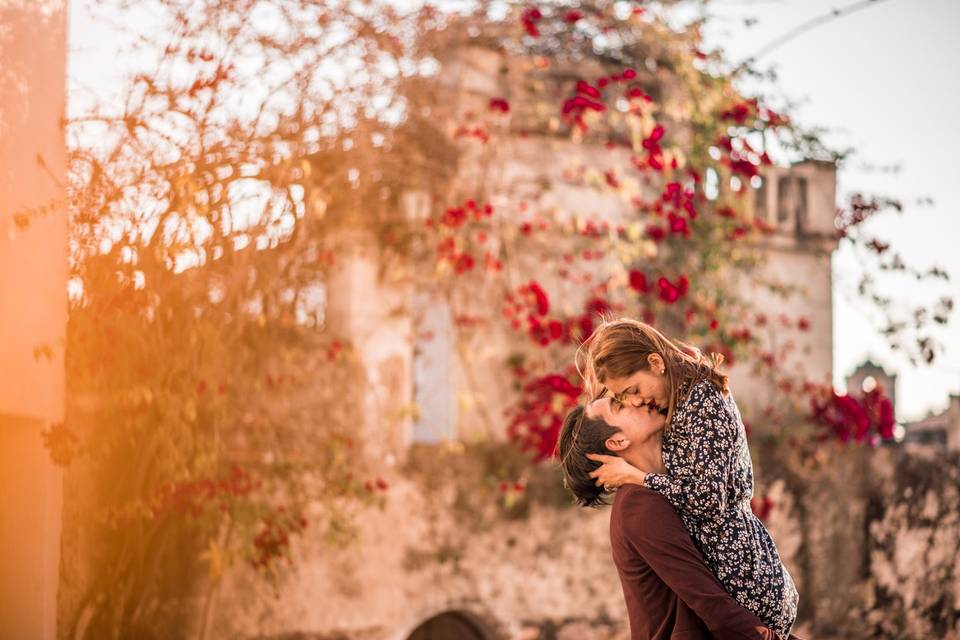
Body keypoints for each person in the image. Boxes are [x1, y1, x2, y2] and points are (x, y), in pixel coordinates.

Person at [578, 318, 799, 639]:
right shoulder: (676, 403)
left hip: (743, 573)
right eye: (624, 400)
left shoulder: (702, 402)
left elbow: (709, 500)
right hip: (737, 570)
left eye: (633, 391)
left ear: (656, 363)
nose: (636, 402)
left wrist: (640, 477)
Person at [559, 401, 782, 640]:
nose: (636, 400)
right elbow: (707, 600)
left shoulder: (666, 489)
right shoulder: (640, 505)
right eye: (619, 405)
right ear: (618, 442)